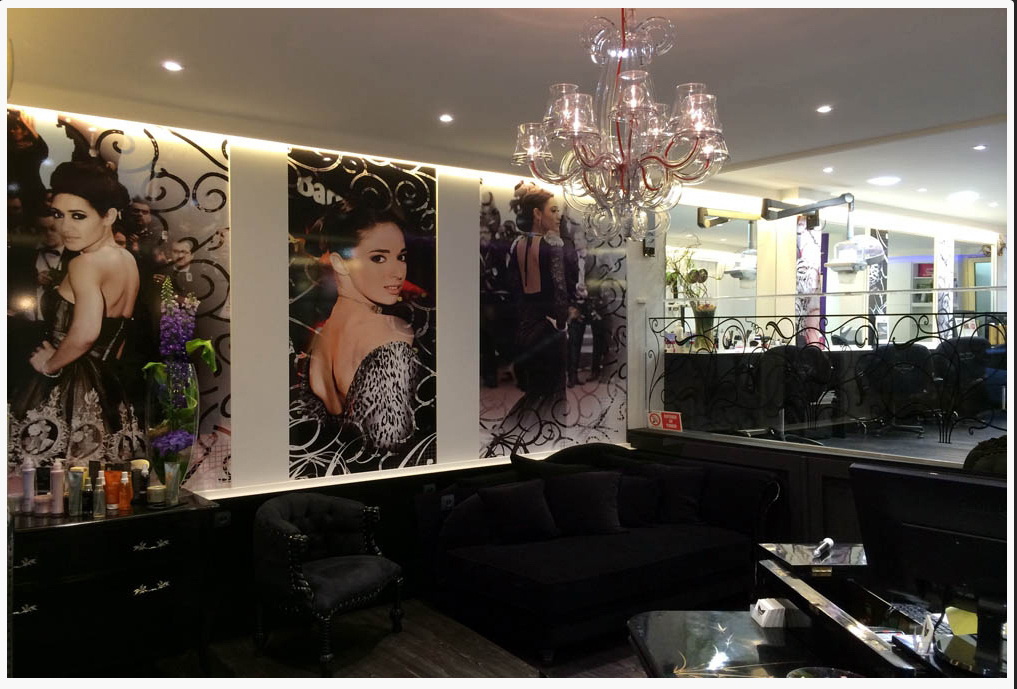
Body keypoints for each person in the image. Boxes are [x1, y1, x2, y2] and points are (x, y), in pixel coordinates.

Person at [8, 160, 143, 468]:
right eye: (59, 214)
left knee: (46, 474)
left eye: (78, 216)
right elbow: (118, 338)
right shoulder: (126, 260)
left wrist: (49, 366)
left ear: (109, 216)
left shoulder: (85, 264)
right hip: (107, 384)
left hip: (69, 383)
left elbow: (86, 333)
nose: (65, 227)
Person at [305, 202, 420, 457]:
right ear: (339, 263)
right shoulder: (393, 331)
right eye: (378, 258)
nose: (398, 272)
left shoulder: (321, 337)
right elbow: (391, 443)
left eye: (401, 257)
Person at [507, 183, 568, 398]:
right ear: (537, 214)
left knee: (534, 392)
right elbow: (560, 289)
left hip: (525, 329)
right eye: (553, 210)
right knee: (552, 395)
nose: (558, 216)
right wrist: (562, 323)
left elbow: (514, 287)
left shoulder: (517, 244)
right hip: (547, 328)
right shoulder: (553, 245)